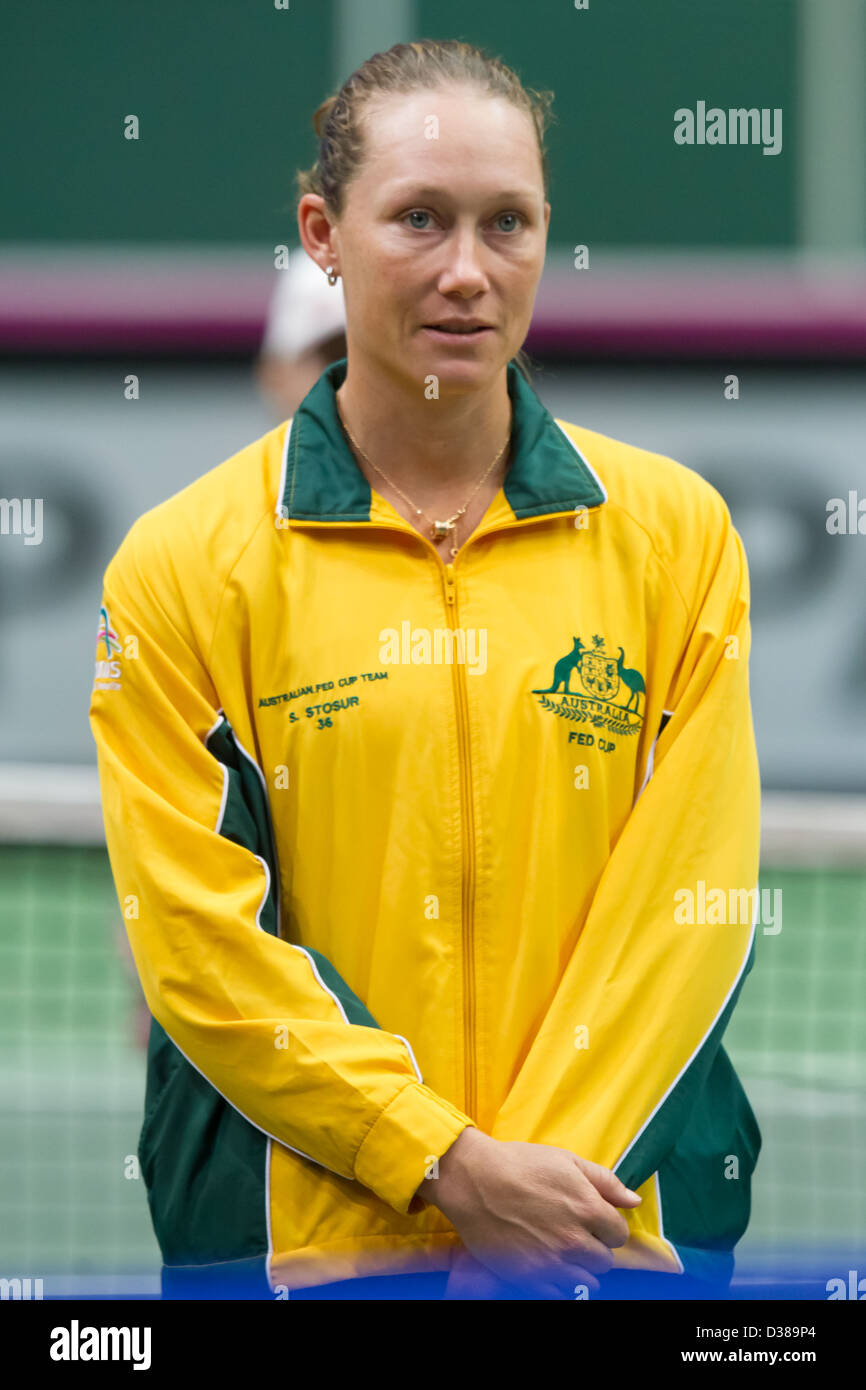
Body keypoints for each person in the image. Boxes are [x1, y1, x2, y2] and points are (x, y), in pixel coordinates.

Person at [89, 38, 761, 1301]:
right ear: (321, 233)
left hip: (610, 1239)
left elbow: (688, 902)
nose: (467, 271)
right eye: (417, 220)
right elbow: (195, 948)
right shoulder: (180, 567)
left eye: (507, 223)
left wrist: (536, 1210)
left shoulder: (677, 536)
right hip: (295, 1259)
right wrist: (443, 1169)